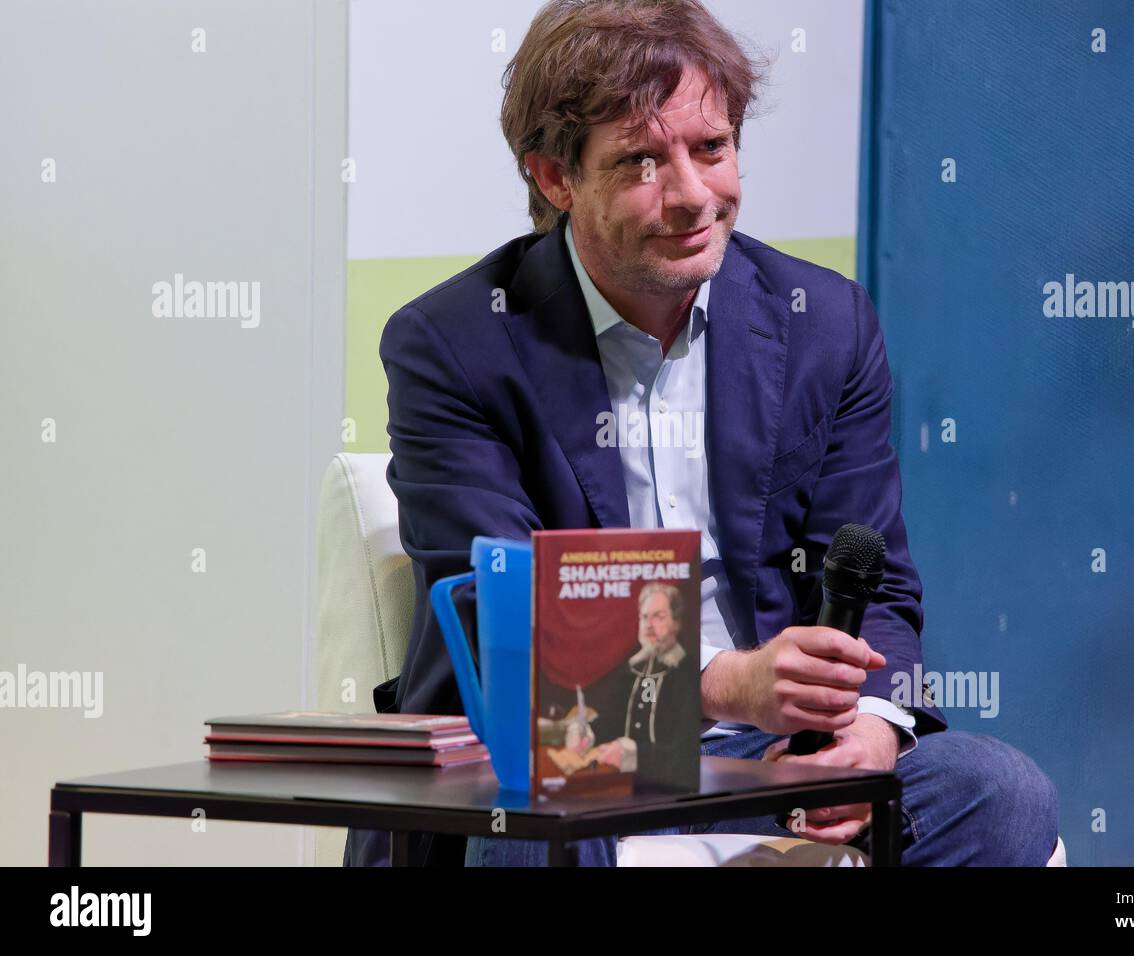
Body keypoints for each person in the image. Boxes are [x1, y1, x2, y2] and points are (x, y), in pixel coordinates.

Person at [345, 0, 1057, 867]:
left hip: (762, 770)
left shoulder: (824, 324)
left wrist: (864, 732)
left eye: (710, 149)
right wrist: (731, 685)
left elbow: (881, 590)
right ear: (555, 177)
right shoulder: (454, 344)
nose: (691, 195)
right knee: (521, 834)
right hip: (561, 762)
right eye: (640, 162)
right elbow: (503, 621)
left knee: (997, 791)